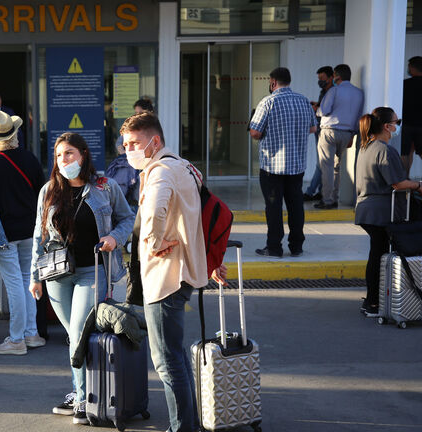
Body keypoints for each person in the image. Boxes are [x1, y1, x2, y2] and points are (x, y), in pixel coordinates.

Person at [119, 112, 225, 432]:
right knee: (176, 357)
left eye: (135, 143)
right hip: (183, 273)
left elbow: (154, 211)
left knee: (167, 363)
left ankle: (182, 428)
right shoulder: (186, 167)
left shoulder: (161, 170)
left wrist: (154, 241)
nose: (129, 150)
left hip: (166, 277)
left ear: (156, 141)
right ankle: (187, 424)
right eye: (125, 145)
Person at [29, 132, 134, 424]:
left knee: (78, 333)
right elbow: (40, 235)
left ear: (83, 155)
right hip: (57, 274)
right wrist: (34, 276)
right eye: (60, 155)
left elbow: (128, 218)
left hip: (94, 272)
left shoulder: (105, 187)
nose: (64, 160)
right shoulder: (49, 190)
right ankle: (83, 392)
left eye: (70, 154)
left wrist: (114, 237)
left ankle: (84, 400)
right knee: (75, 337)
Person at [0, 111, 46, 354]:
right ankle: (31, 333)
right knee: (28, 280)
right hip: (30, 229)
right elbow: (41, 194)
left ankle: (16, 340)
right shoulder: (29, 158)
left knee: (15, 283)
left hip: (3, 234)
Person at [355, 107, 419, 316]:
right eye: (396, 121)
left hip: (367, 210)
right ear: (386, 126)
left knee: (377, 254)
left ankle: (373, 299)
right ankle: (373, 302)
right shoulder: (385, 150)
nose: (397, 125)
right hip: (381, 212)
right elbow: (398, 183)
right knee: (378, 255)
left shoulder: (367, 146)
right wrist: (417, 186)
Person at [249, 67, 317, 258]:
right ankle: (296, 246)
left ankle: (274, 247)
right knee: (296, 206)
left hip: (273, 167)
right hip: (296, 166)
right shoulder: (303, 100)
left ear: (272, 83)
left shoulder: (268, 102)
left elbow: (255, 132)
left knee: (273, 207)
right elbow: (313, 128)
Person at [316, 64, 365, 209]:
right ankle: (334, 198)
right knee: (337, 168)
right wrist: (353, 134)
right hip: (347, 134)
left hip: (329, 131)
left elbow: (324, 111)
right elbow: (359, 116)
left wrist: (316, 109)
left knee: (327, 167)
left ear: (336, 76)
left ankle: (327, 200)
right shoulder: (359, 93)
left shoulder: (334, 90)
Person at [303, 66, 334, 201]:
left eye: (322, 78)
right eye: (319, 78)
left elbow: (327, 110)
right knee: (322, 162)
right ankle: (320, 191)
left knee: (322, 163)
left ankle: (310, 192)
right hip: (320, 127)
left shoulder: (333, 92)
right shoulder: (324, 91)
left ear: (331, 77)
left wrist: (317, 108)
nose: (320, 81)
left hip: (325, 130)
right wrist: (317, 104)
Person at [401, 56, 422, 175]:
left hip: (407, 124)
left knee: (405, 153)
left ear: (412, 68)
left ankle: (405, 183)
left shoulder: (404, 84)